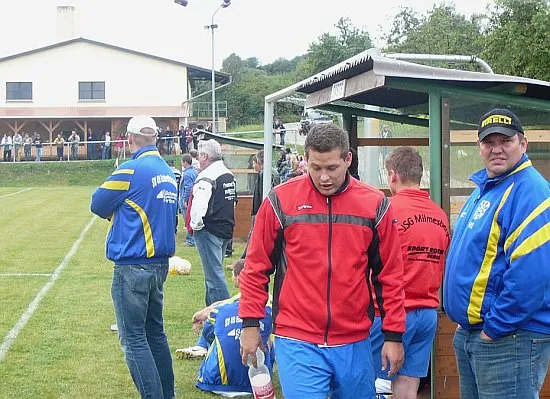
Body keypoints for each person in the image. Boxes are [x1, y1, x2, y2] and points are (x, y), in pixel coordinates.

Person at [238, 123, 406, 399]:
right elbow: (255, 268)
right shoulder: (281, 201)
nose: (324, 177)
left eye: (331, 168)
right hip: (297, 337)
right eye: (315, 168)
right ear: (305, 160)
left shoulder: (374, 204)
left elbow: (390, 275)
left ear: (348, 159)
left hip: (354, 340)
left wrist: (393, 336)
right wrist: (250, 324)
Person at [443, 108, 550, 399]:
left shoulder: (530, 191)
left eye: (506, 141)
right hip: (477, 333)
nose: (497, 149)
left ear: (523, 144)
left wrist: (494, 329)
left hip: (509, 336)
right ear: (479, 147)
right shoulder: (487, 188)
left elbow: (531, 275)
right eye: (489, 142)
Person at [90, 115, 178, 399]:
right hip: (159, 265)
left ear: (129, 140)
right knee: (155, 334)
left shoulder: (130, 169)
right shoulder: (168, 171)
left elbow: (97, 203)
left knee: (134, 340)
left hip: (132, 265)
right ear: (156, 138)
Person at [370, 147, 450, 399]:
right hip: (426, 314)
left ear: (393, 175)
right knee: (407, 385)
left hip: (389, 314)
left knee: (373, 383)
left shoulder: (386, 209)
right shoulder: (440, 215)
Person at [177, 259, 274, 396]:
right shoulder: (270, 308)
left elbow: (214, 311)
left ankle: (201, 347)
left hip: (214, 383)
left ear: (239, 278)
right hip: (256, 386)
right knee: (268, 338)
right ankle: (264, 371)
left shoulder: (222, 309)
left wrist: (199, 316)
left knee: (215, 329)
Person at [188, 139, 236, 306]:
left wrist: (195, 226)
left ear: (205, 156)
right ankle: (210, 317)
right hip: (225, 228)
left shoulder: (206, 177)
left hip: (209, 230)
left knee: (214, 277)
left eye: (200, 155)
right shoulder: (228, 174)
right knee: (213, 274)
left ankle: (227, 314)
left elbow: (198, 206)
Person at [180, 153, 198, 247]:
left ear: (185, 162)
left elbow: (188, 187)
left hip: (187, 200)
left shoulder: (187, 174)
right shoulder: (195, 172)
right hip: (194, 199)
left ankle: (191, 240)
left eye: (182, 162)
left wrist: (185, 200)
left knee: (188, 220)